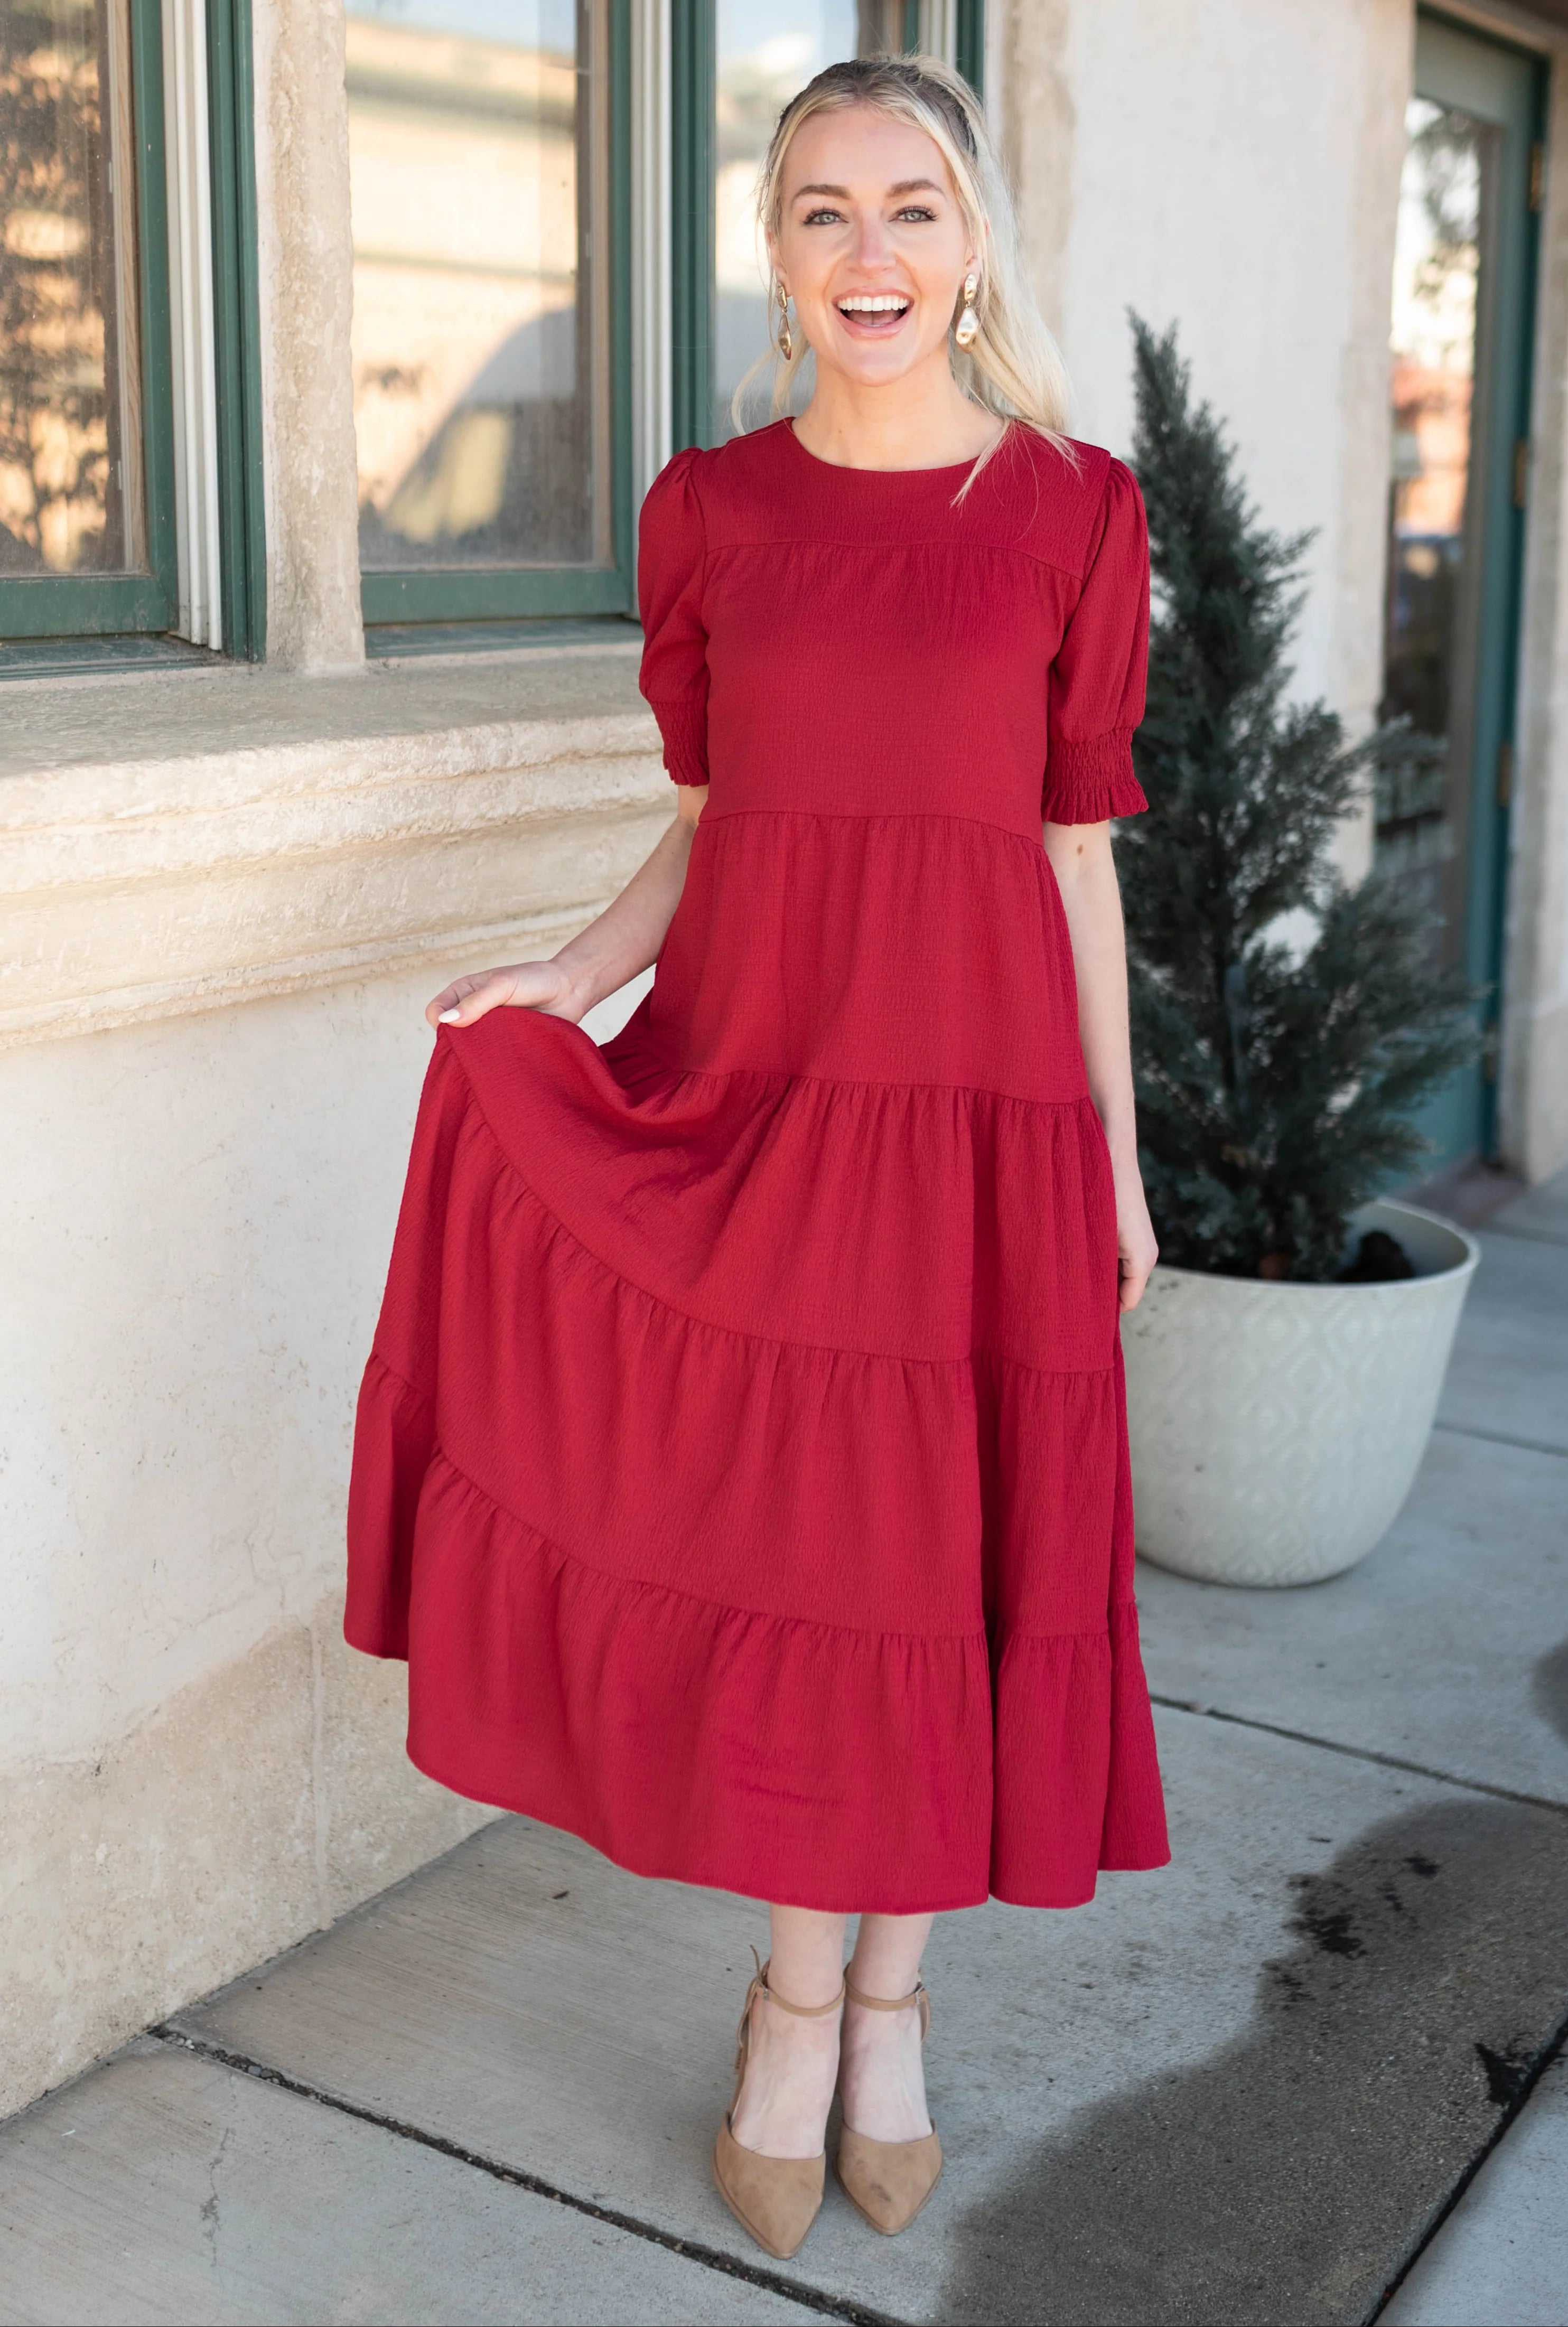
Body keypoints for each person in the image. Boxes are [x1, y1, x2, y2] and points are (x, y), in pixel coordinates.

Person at [345, 51, 1169, 2266]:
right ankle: (799, 2006)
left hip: (983, 1124)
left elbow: (1073, 855)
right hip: (771, 1099)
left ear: (971, 245)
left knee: (950, 1582)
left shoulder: (1076, 508)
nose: (868, 252)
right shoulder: (710, 511)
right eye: (824, 211)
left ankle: (887, 2009)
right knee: (831, 1584)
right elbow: (715, 829)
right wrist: (566, 980)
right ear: (779, 256)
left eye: (912, 208)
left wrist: (1115, 1159)